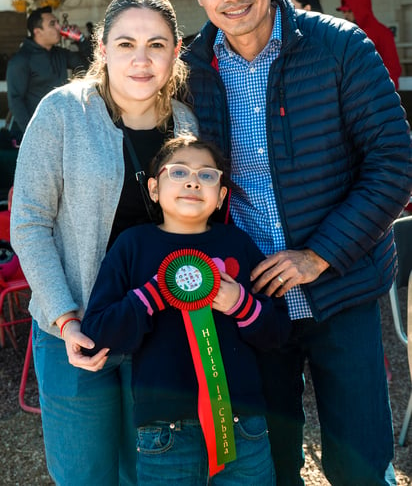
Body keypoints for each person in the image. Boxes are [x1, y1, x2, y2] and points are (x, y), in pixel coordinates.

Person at [182, 0, 412, 485]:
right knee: (273, 462)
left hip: (343, 286)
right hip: (252, 298)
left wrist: (318, 255)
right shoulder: (192, 69)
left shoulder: (339, 47)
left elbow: (394, 163)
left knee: (359, 462)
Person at [10, 0, 199, 486]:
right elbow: (28, 221)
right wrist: (65, 319)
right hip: (73, 330)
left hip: (159, 330)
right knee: (84, 475)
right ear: (101, 49)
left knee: (153, 471)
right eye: (125, 44)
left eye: (157, 45)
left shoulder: (186, 125)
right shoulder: (62, 113)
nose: (141, 59)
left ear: (176, 52)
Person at [82, 134, 291, 486]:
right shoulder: (132, 246)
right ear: (153, 188)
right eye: (178, 172)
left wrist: (240, 304)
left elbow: (279, 332)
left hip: (244, 425)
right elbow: (98, 331)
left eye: (207, 175)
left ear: (223, 194)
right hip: (164, 431)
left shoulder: (237, 243)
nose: (193, 181)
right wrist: (151, 295)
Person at [6, 6, 89, 137]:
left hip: (63, 129)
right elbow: (16, 100)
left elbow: (89, 65)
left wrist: (81, 40)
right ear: (38, 31)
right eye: (52, 24)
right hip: (38, 133)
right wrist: (32, 134)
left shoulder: (60, 54)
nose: (59, 27)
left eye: (57, 22)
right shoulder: (21, 60)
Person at [336, 0, 402, 89]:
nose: (345, 15)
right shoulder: (349, 34)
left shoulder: (383, 33)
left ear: (361, 10)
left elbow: (393, 67)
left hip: (377, 94)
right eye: (344, 11)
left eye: (349, 11)